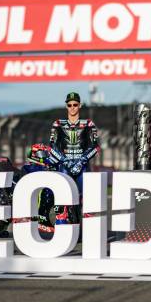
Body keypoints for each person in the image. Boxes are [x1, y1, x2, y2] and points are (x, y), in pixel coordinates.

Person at [49, 92, 100, 224]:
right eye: (69, 104)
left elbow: (96, 147)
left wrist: (82, 160)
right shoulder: (58, 124)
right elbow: (52, 147)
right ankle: (63, 228)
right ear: (66, 106)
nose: (72, 107)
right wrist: (64, 161)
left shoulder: (88, 124)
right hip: (64, 166)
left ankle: (90, 229)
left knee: (86, 200)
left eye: (75, 104)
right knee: (62, 198)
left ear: (80, 105)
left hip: (82, 166)